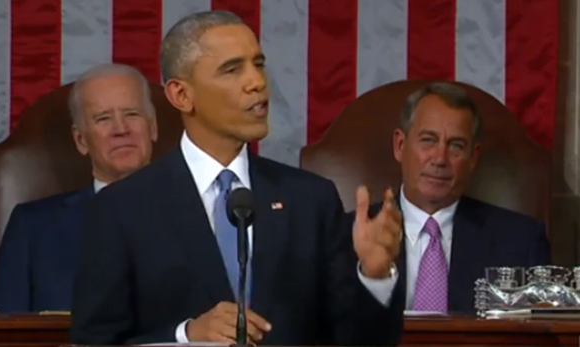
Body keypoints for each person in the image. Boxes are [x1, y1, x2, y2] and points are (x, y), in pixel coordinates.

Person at [70, 10, 404, 346]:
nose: (257, 82)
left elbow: (356, 339)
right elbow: (94, 340)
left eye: (257, 64)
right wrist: (185, 336)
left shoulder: (310, 200)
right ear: (181, 95)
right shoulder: (122, 208)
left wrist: (374, 275)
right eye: (232, 69)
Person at [353, 82, 551, 314]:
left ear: (473, 158)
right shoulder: (348, 234)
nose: (439, 159)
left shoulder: (520, 241)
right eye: (428, 140)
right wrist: (374, 278)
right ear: (400, 145)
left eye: (456, 145)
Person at [0, 63, 158, 313]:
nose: (121, 129)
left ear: (152, 128)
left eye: (132, 114)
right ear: (81, 140)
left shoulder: (196, 213)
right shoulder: (34, 228)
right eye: (103, 118)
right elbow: (4, 332)